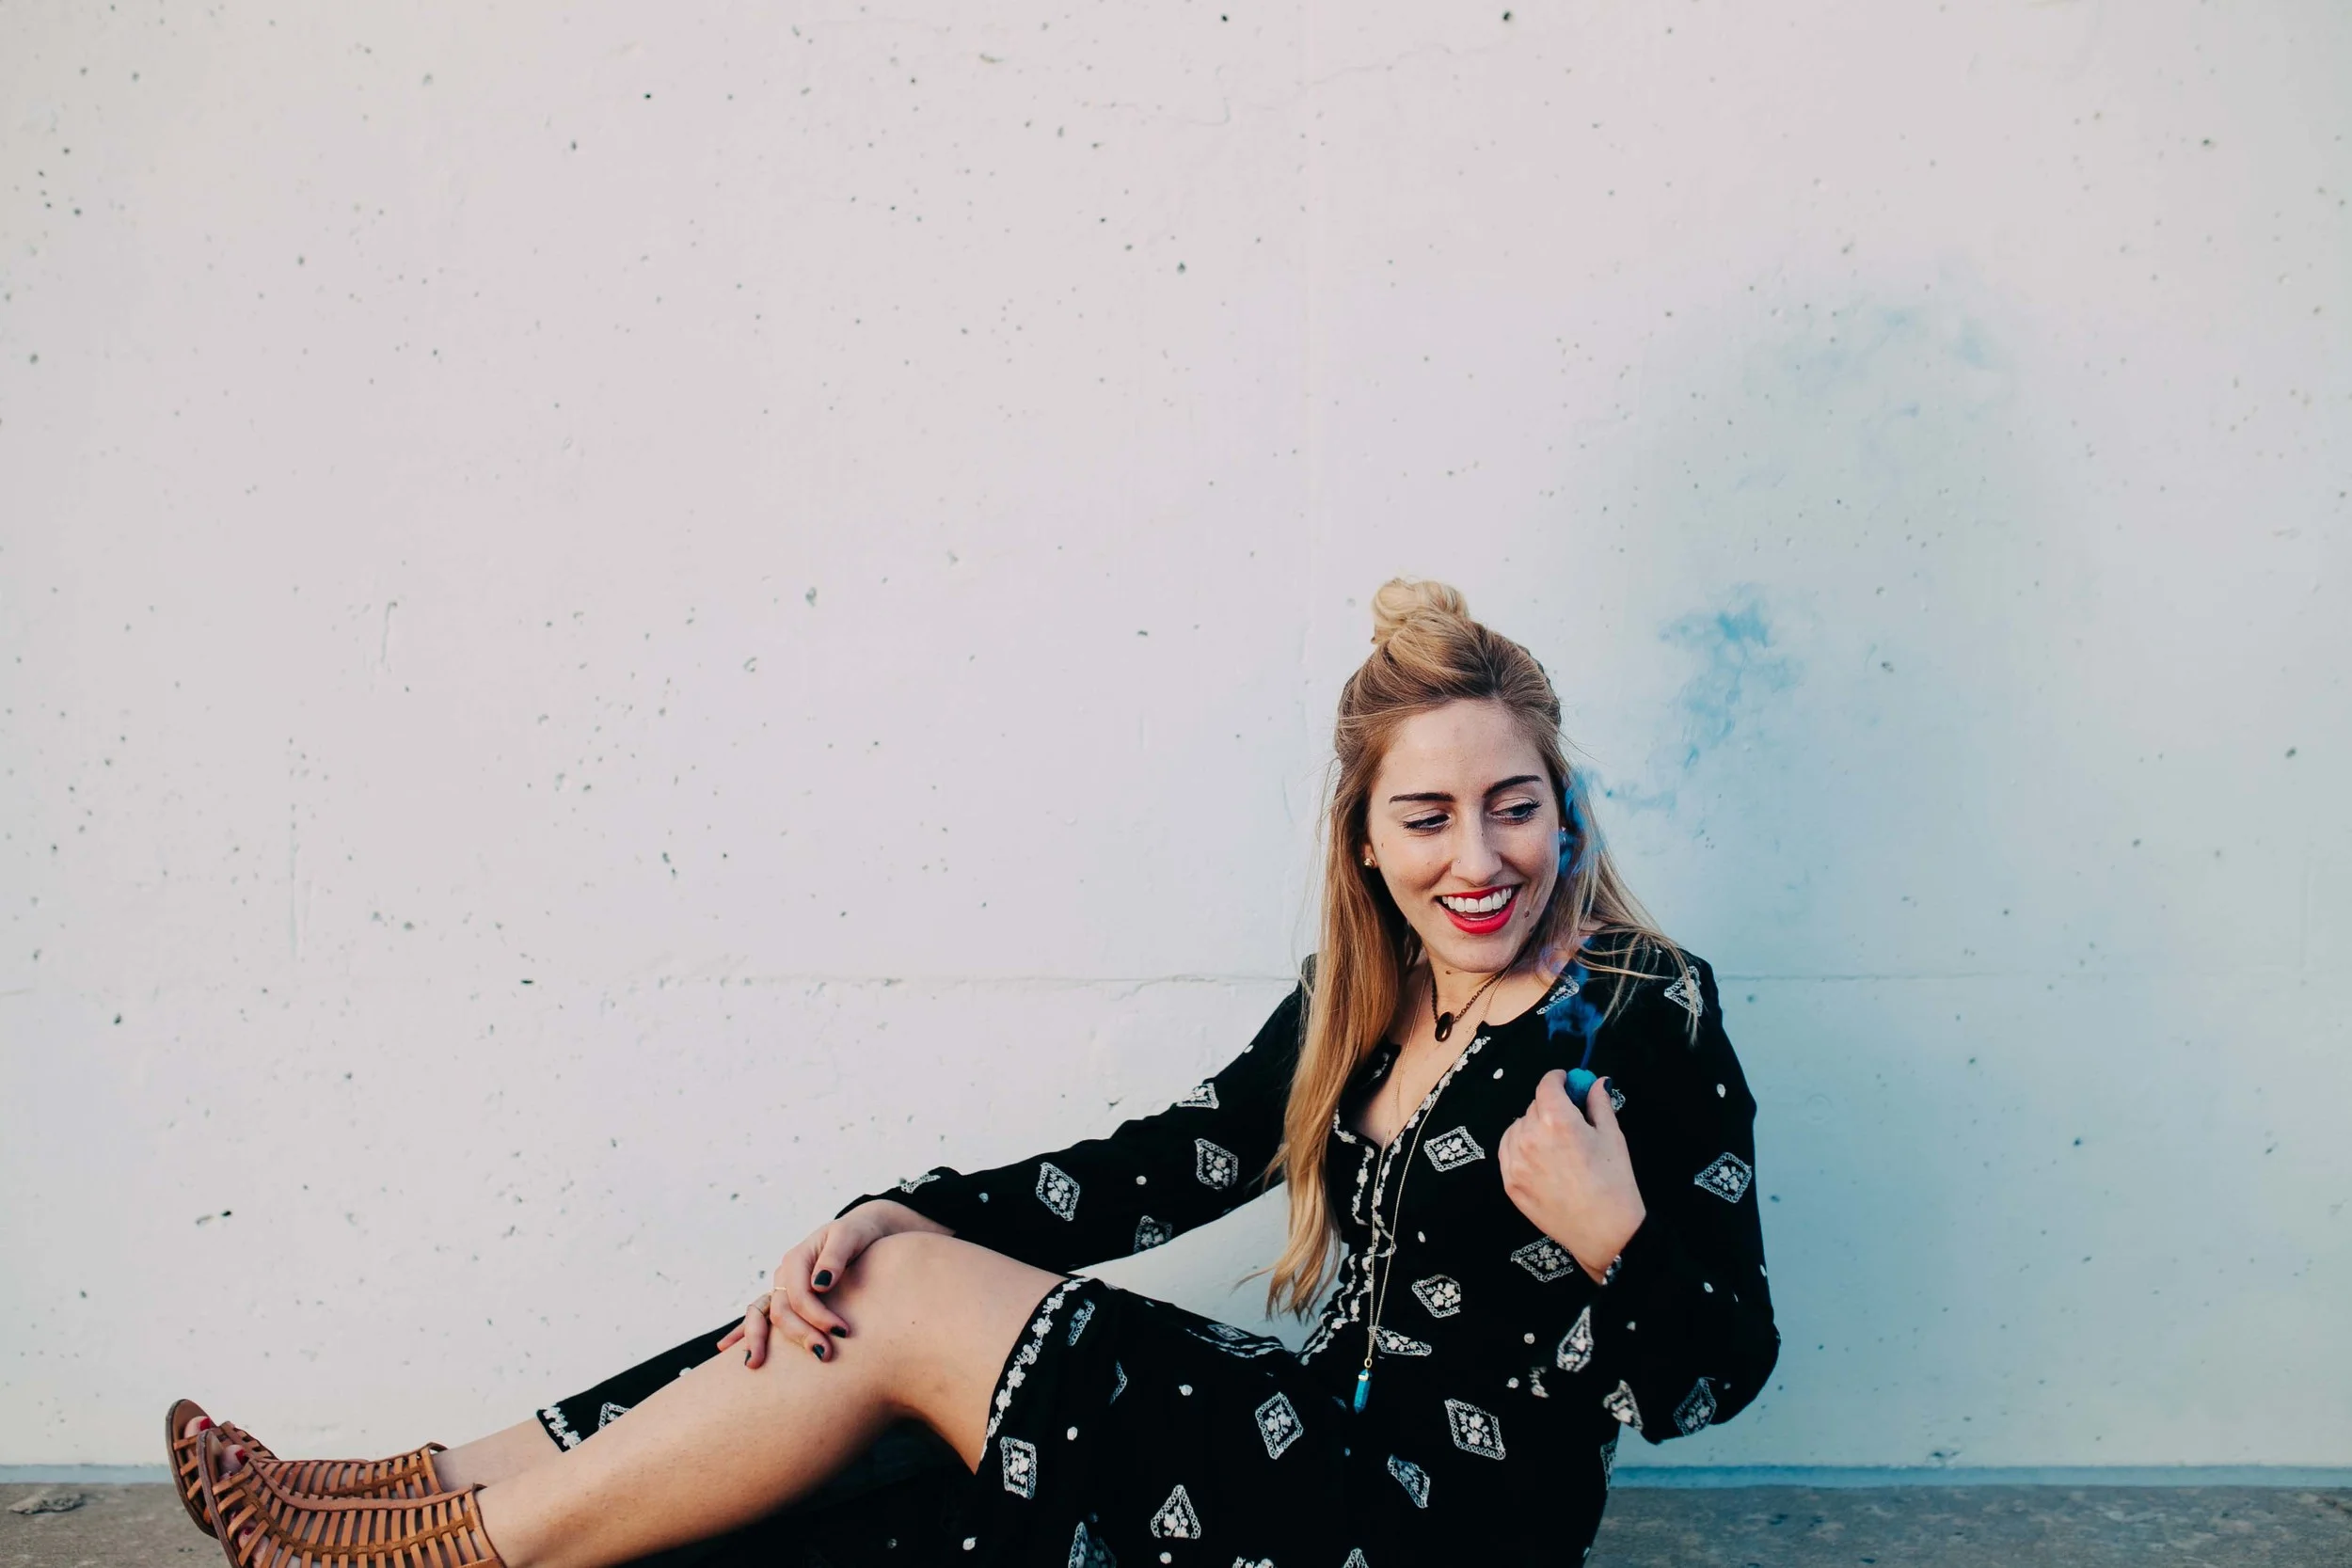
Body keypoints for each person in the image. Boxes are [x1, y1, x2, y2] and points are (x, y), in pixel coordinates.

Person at [168, 578, 1779, 1568]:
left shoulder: (1644, 1009)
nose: (1479, 858)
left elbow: (1719, 1371)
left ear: (1563, 804)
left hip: (1443, 1524)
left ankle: (455, 1551)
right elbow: (1157, 1167)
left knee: (902, 1300)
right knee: (845, 1380)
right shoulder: (1363, 998)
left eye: (1514, 804)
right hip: (1305, 1441)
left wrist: (1613, 1234)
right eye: (1427, 816)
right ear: (1364, 839)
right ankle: (417, 1489)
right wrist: (902, 1206)